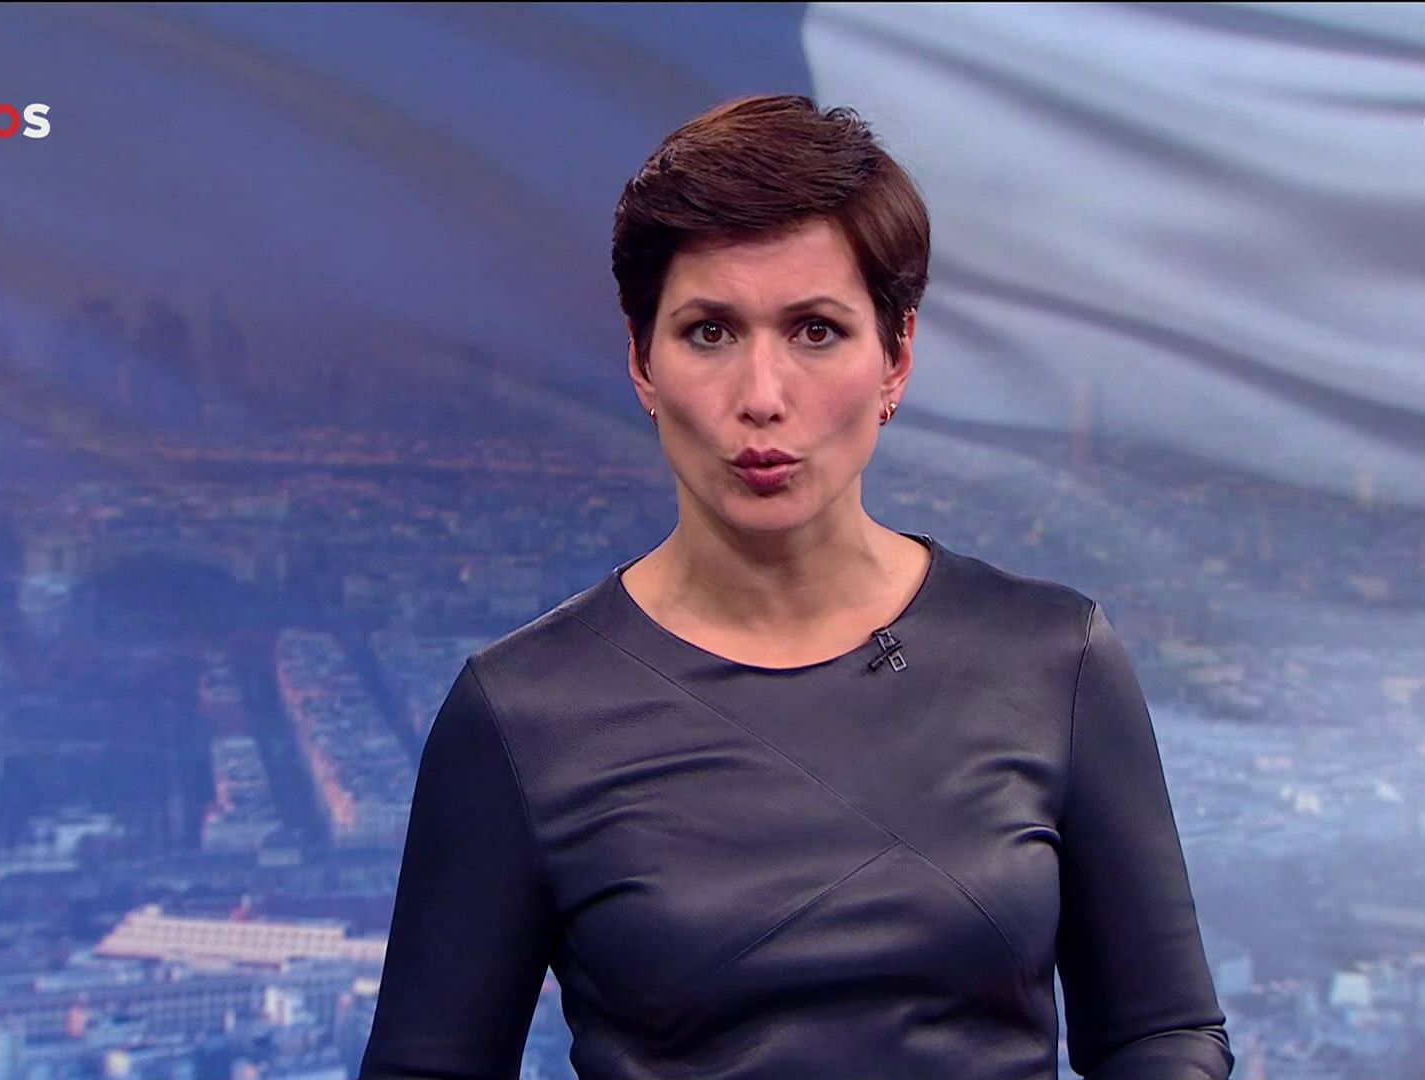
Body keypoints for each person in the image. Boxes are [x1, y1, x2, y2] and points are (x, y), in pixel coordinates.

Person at [359, 94, 1233, 1080]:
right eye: (709, 333)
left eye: (816, 331)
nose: (763, 397)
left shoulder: (1054, 659)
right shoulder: (522, 714)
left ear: (897, 356)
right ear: (641, 361)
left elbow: (1164, 1033)